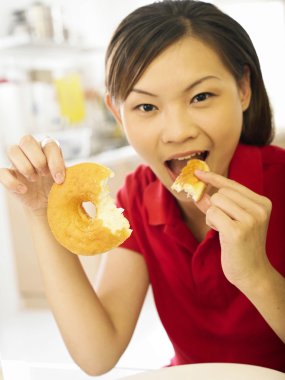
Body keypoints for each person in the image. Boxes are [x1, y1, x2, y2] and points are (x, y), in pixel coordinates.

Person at [0, 0, 284, 375]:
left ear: (243, 89)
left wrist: (254, 273)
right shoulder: (135, 198)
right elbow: (97, 353)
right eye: (146, 107)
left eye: (201, 97)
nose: (178, 130)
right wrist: (41, 212)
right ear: (118, 114)